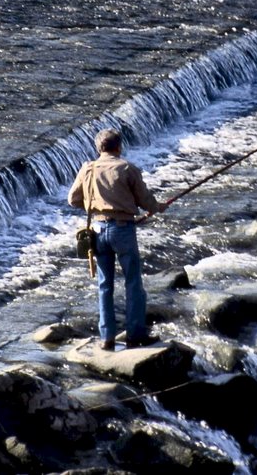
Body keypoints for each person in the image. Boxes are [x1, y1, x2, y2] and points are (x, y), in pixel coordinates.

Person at [67, 128, 168, 351]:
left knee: (105, 285)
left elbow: (72, 199)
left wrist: (94, 205)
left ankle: (107, 339)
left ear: (98, 148)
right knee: (133, 284)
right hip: (123, 230)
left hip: (98, 231)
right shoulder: (127, 168)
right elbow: (145, 201)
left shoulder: (88, 169)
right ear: (118, 146)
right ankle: (135, 335)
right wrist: (158, 207)